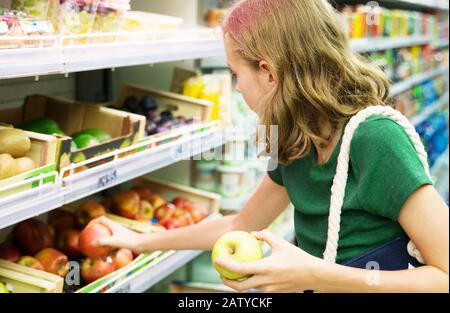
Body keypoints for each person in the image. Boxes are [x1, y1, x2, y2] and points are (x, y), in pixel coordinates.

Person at [92, 0, 449, 292]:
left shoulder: (375, 137)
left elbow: (445, 275)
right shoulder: (297, 138)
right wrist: (139, 241)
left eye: (236, 74)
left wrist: (316, 275)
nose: (236, 88)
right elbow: (240, 226)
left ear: (269, 73)